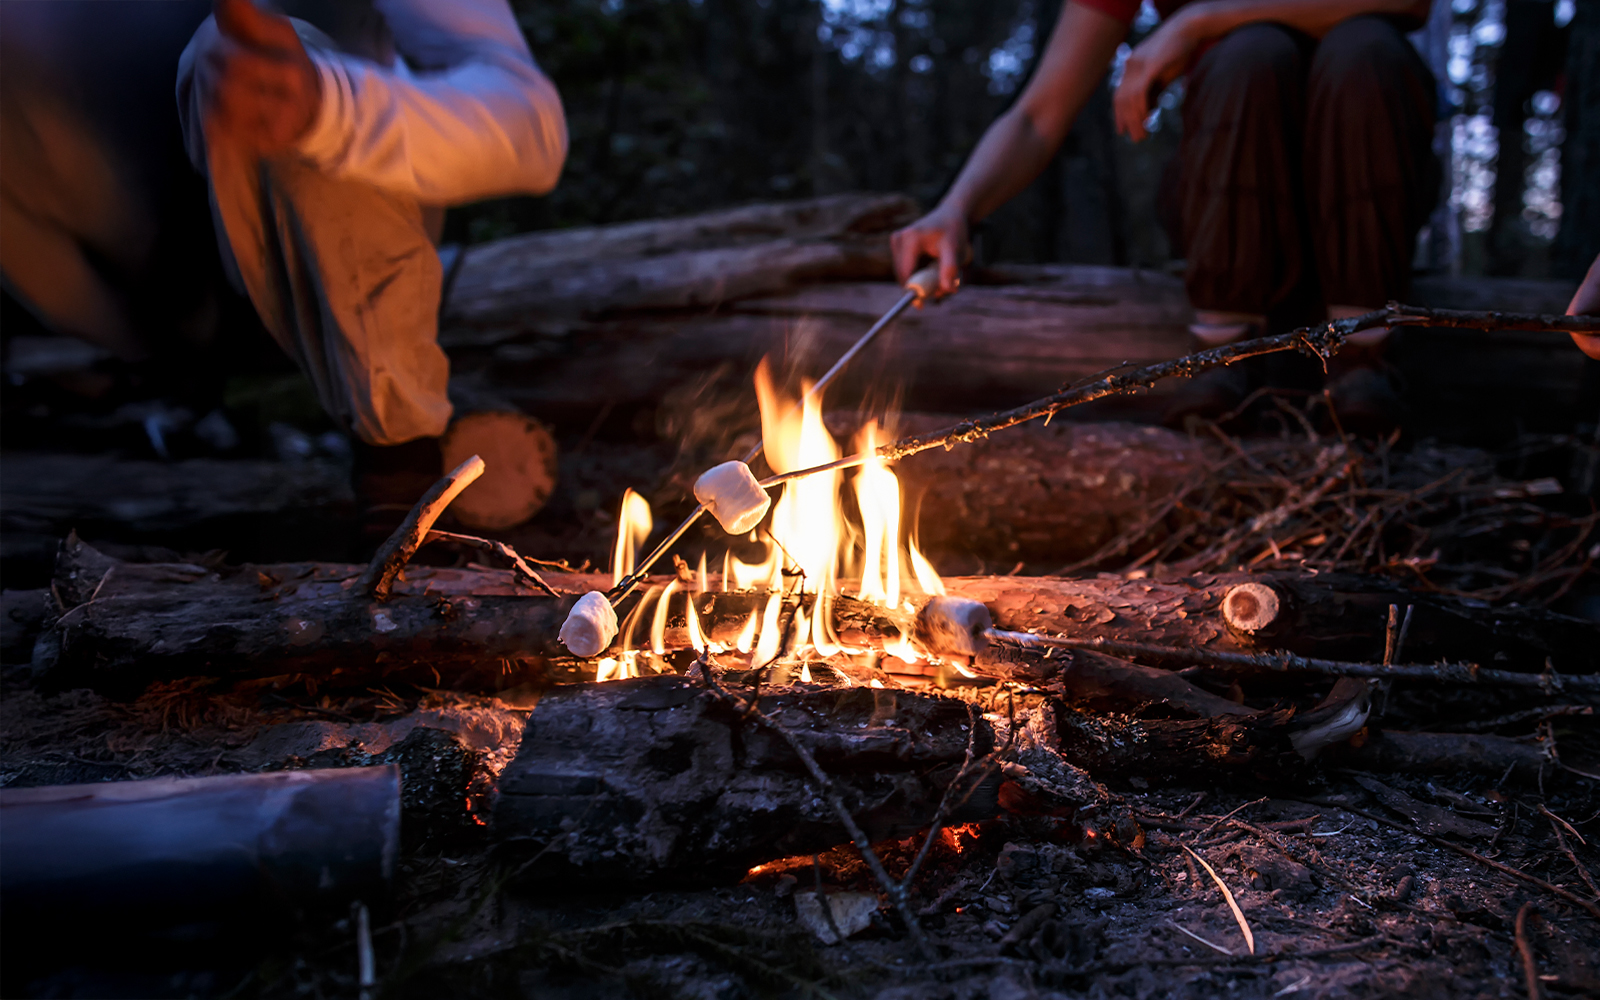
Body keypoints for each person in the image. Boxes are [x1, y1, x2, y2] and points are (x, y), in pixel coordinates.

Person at [1, 0, 567, 529]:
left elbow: (531, 125)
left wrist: (330, 105)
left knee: (245, 48)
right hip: (114, 296)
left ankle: (398, 466)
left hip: (325, 286)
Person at [891, 0, 1444, 432]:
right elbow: (1039, 114)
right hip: (1230, 213)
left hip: (1371, 207)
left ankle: (1362, 360)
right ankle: (1223, 358)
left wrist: (1199, 20)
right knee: (1251, 55)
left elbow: (1409, 2)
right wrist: (958, 207)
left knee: (1364, 47)